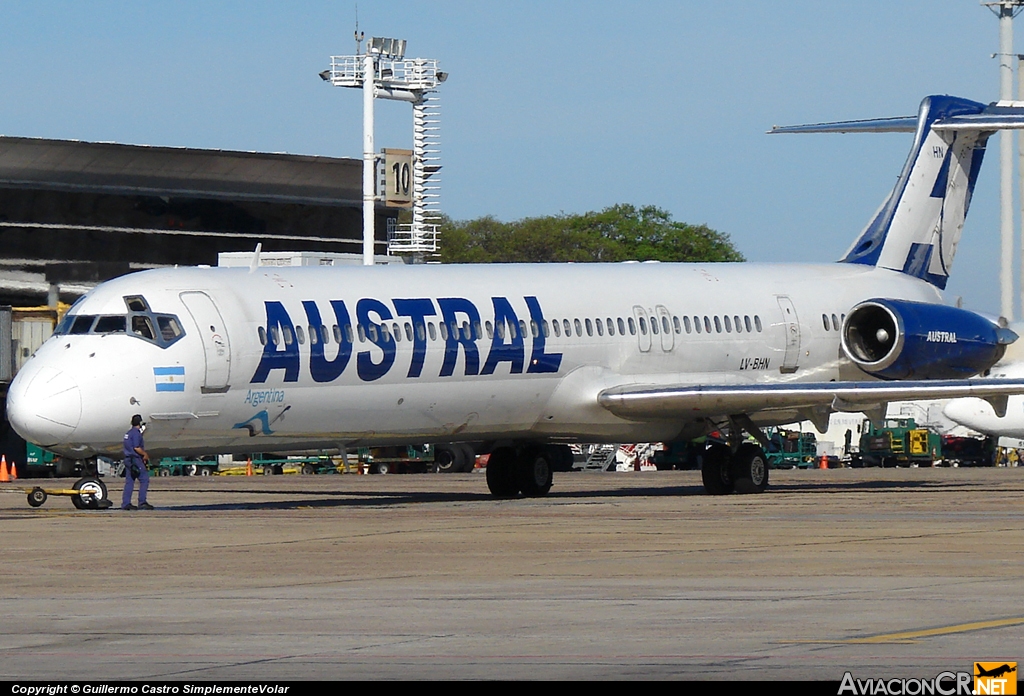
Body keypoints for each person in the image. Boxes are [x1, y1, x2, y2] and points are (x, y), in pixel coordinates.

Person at [122, 414, 153, 510]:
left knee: (129, 482)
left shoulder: (128, 433)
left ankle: (126, 503)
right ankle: (142, 501)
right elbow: (136, 447)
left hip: (128, 459)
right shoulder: (136, 433)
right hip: (135, 459)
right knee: (144, 480)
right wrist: (144, 454)